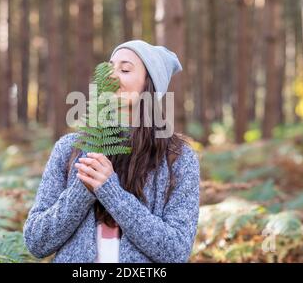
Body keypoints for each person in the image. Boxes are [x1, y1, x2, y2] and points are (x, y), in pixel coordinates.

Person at [23, 40, 200, 263]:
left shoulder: (178, 158)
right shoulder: (69, 149)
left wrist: (110, 191)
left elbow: (176, 252)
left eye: (125, 69)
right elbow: (36, 242)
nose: (112, 76)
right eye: (110, 68)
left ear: (150, 84)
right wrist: (82, 190)